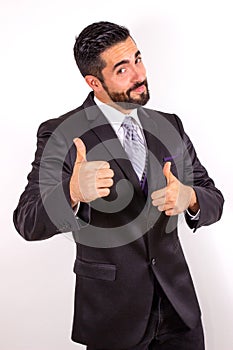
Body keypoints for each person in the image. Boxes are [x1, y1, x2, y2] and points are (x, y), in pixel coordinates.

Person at [13, 21, 224, 350]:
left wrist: (191, 197)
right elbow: (27, 221)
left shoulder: (169, 125)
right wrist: (71, 191)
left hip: (179, 316)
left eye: (138, 59)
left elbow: (214, 199)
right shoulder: (62, 134)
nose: (139, 75)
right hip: (113, 319)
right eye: (123, 69)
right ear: (94, 82)